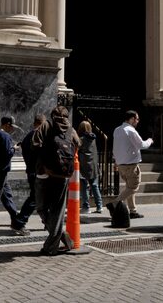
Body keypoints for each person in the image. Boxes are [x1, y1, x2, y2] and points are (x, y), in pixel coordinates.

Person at [33, 105, 80, 256]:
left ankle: (50, 247)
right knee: (57, 211)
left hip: (45, 173)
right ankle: (62, 236)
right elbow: (78, 144)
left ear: (53, 115)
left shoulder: (46, 125)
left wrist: (43, 161)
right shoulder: (71, 129)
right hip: (63, 175)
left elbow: (34, 143)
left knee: (41, 208)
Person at [107, 110, 153, 219]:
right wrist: (150, 141)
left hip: (121, 164)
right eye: (137, 119)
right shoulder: (131, 130)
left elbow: (116, 147)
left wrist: (115, 160)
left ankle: (132, 211)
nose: (138, 121)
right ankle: (115, 203)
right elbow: (141, 145)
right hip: (131, 165)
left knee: (129, 187)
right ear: (132, 119)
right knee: (133, 187)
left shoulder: (117, 130)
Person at [16, 113, 47, 229]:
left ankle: (48, 222)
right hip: (38, 172)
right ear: (42, 124)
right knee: (35, 197)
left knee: (43, 198)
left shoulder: (27, 136)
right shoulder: (39, 136)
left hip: (31, 170)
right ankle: (19, 221)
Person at [77, 120, 103, 214]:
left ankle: (86, 206)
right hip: (93, 165)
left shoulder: (81, 139)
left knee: (84, 187)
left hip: (84, 166)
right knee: (95, 186)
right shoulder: (93, 138)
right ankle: (99, 206)